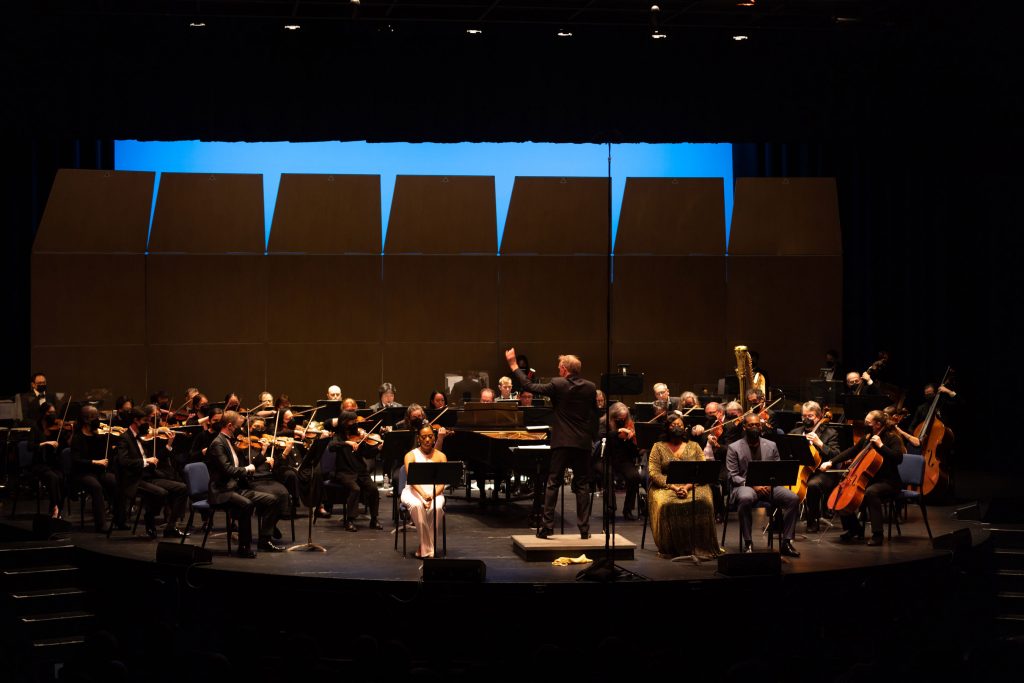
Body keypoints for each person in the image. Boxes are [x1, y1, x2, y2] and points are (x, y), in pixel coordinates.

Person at [505, 348, 597, 539]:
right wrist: (591, 437)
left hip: (562, 441)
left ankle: (547, 527)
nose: (558, 370)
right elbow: (593, 415)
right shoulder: (590, 387)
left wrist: (514, 365)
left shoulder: (558, 384)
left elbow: (529, 386)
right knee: (582, 485)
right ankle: (585, 529)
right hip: (582, 442)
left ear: (564, 369)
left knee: (553, 482)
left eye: (559, 368)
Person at [205, 410, 286, 556]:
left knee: (272, 500)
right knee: (246, 504)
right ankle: (244, 547)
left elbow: (249, 464)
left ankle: (264, 541)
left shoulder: (230, 441)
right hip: (222, 491)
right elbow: (227, 470)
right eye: (238, 426)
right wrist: (246, 470)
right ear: (230, 426)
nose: (240, 429)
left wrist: (262, 455)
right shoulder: (218, 444)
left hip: (234, 488)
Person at [820, 409, 904, 546]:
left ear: (877, 424)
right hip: (869, 479)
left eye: (867, 422)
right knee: (842, 492)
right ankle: (854, 529)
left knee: (871, 492)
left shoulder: (891, 438)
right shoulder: (867, 437)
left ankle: (877, 535)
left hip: (888, 482)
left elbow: (898, 458)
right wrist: (831, 462)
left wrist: (881, 446)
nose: (864, 423)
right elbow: (851, 451)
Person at [647, 412, 722, 559]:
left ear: (685, 428)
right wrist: (674, 487)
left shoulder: (694, 446)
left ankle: (699, 545)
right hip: (666, 486)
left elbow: (702, 470)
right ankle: (671, 547)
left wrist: (687, 487)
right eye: (673, 425)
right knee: (666, 503)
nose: (677, 428)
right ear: (667, 428)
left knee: (704, 502)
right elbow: (654, 473)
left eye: (680, 425)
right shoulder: (658, 447)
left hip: (694, 485)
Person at [725, 413, 800, 557]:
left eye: (757, 425)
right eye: (751, 425)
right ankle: (748, 541)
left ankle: (786, 542)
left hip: (768, 485)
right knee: (746, 498)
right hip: (745, 486)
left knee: (793, 498)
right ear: (745, 427)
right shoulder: (734, 447)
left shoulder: (771, 445)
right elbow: (732, 475)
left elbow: (778, 470)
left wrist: (770, 483)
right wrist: (753, 485)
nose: (755, 427)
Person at [115, 406, 187, 539]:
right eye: (145, 421)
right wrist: (145, 461)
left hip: (150, 476)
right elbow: (123, 461)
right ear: (136, 420)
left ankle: (170, 527)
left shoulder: (143, 437)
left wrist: (169, 444)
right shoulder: (125, 438)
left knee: (181, 488)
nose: (148, 424)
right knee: (161, 492)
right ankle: (149, 520)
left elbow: (157, 458)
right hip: (134, 479)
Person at [69, 405, 124, 532]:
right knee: (96, 487)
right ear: (86, 419)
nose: (98, 420)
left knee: (115, 481)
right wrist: (94, 462)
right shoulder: (78, 437)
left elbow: (107, 454)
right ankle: (101, 524)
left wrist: (110, 446)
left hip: (98, 471)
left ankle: (120, 520)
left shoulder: (99, 435)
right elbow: (76, 460)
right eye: (95, 417)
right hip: (82, 473)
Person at [788, 401, 841, 532]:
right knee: (780, 481)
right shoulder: (795, 431)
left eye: (810, 416)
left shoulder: (830, 433)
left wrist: (820, 443)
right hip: (801, 469)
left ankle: (812, 520)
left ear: (819, 416)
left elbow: (836, 454)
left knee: (812, 485)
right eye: (803, 416)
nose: (806, 419)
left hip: (823, 472)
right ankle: (780, 522)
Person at [326, 413, 384, 531]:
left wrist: (377, 449)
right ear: (344, 423)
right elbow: (331, 447)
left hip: (360, 471)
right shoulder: (338, 436)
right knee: (355, 489)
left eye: (355, 421)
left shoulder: (359, 435)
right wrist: (347, 443)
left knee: (373, 489)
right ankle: (350, 520)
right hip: (344, 472)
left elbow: (367, 454)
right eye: (351, 422)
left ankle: (374, 519)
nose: (354, 424)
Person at [401, 424, 449, 559]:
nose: (427, 440)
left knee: (437, 507)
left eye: (430, 436)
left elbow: (442, 483)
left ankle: (423, 548)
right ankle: (428, 550)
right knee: (417, 505)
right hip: (414, 491)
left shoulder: (441, 456)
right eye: (424, 437)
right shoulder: (410, 455)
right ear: (418, 439)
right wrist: (424, 497)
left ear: (434, 438)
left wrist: (432, 497)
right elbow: (412, 480)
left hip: (436, 492)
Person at [594, 402, 641, 521]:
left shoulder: (629, 425)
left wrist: (632, 438)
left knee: (634, 476)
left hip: (623, 460)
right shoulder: (603, 423)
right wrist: (617, 431)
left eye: (624, 419)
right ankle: (610, 508)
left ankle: (628, 509)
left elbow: (633, 450)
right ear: (613, 416)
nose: (622, 420)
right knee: (607, 474)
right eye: (619, 419)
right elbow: (601, 437)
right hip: (605, 458)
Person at [29, 402, 68, 518]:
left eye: (54, 412)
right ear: (43, 413)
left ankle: (55, 507)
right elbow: (30, 446)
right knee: (53, 477)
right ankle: (55, 507)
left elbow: (64, 446)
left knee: (63, 478)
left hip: (52, 464)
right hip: (39, 464)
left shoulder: (56, 429)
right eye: (50, 412)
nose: (53, 415)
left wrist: (67, 432)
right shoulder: (35, 428)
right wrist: (46, 443)